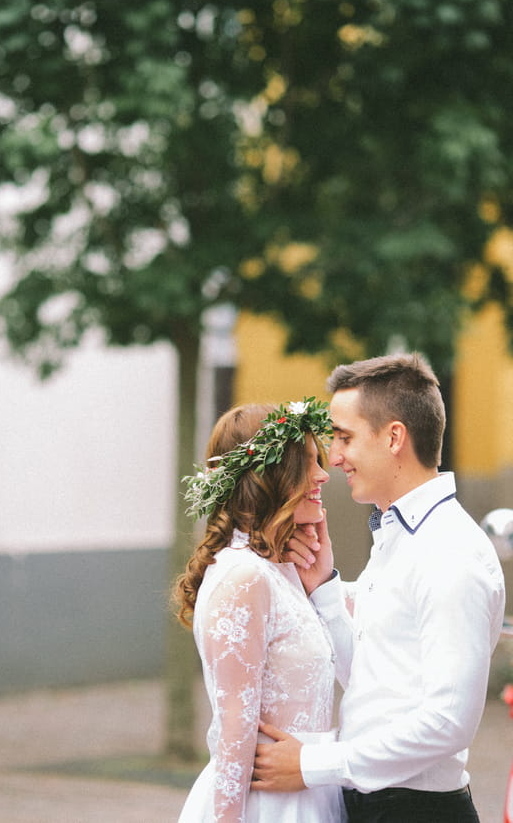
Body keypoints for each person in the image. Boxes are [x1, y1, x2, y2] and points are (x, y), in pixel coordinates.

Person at [252, 353, 506, 823]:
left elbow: (449, 724)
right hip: (377, 806)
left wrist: (313, 765)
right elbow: (374, 681)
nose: (334, 457)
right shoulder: (399, 537)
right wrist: (324, 587)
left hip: (419, 812)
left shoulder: (449, 552)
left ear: (394, 437)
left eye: (345, 437)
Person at [174, 399, 347, 822]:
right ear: (270, 477)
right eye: (307, 463)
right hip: (270, 806)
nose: (323, 474)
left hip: (311, 792)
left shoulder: (281, 573)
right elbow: (236, 731)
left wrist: (322, 580)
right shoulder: (245, 579)